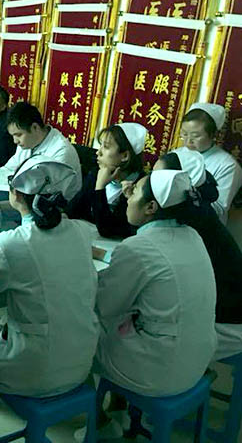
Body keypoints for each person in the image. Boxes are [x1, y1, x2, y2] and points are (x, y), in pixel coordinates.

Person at [93, 169, 216, 433]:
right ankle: (118, 407)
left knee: (82, 331)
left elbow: (104, 306)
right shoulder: (192, 235)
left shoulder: (139, 247)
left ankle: (99, 421)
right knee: (128, 321)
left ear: (150, 207)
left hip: (160, 371)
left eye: (135, 191)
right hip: (197, 361)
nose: (127, 196)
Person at [0, 156, 98, 397]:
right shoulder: (81, 231)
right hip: (81, 363)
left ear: (16, 195)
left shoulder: (11, 242)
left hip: (33, 371)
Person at [153, 149, 242, 360]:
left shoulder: (190, 222)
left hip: (227, 323)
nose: (151, 184)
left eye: (158, 178)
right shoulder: (197, 210)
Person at [67, 123, 146, 238]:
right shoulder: (97, 172)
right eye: (100, 145)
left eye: (106, 147)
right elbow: (72, 210)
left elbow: (108, 230)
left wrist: (100, 187)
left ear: (125, 156)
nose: (98, 152)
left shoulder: (139, 187)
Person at [0, 102, 81, 201]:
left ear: (35, 127)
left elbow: (47, 193)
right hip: (25, 198)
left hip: (52, 205)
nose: (15, 141)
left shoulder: (61, 151)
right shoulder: (28, 143)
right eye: (13, 135)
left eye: (18, 135)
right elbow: (8, 169)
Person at [176, 102, 242, 224]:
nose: (188, 141)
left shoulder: (228, 165)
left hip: (204, 228)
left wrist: (182, 198)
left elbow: (219, 209)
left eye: (196, 136)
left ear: (213, 135)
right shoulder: (176, 154)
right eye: (184, 134)